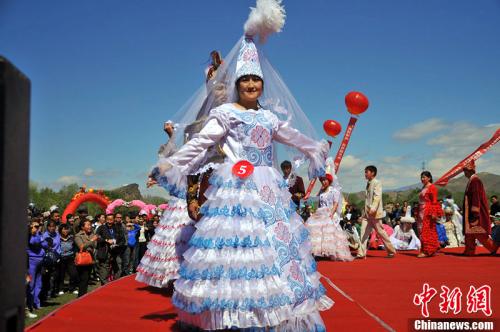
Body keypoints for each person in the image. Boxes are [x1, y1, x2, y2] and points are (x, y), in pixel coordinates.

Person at [147, 4, 332, 327]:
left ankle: (273, 311)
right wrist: (173, 164)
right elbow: (202, 143)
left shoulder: (269, 117)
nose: (251, 85)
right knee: (238, 251)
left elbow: (293, 136)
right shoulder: (227, 114)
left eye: (255, 81)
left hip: (268, 187)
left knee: (274, 249)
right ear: (238, 83)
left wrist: (315, 147)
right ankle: (234, 315)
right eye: (245, 80)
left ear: (262, 84)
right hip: (236, 188)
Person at [136, 120, 196, 288]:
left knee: (186, 238)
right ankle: (173, 276)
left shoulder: (198, 160)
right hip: (181, 204)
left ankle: (188, 274)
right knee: (174, 239)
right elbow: (169, 157)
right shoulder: (178, 162)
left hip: (191, 202)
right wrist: (172, 136)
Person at [305, 173, 353, 261]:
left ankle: (332, 252)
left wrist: (331, 213)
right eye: (322, 180)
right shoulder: (321, 192)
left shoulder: (334, 191)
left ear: (329, 181)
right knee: (319, 233)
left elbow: (335, 204)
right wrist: (316, 213)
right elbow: (319, 204)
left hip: (330, 213)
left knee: (330, 233)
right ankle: (320, 252)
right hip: (321, 213)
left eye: (325, 180)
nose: (323, 182)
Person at [357, 165, 396, 258]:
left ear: (373, 173)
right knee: (363, 232)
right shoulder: (368, 183)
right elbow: (367, 201)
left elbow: (377, 197)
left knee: (381, 232)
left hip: (374, 213)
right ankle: (361, 253)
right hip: (367, 214)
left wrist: (373, 209)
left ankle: (391, 250)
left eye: (367, 172)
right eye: (365, 172)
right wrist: (364, 213)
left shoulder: (377, 182)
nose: (365, 174)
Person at [461, 161, 499, 256]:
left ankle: (493, 247)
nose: (464, 172)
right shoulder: (472, 181)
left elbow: (476, 197)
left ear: (470, 171)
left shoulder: (475, 181)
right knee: (469, 232)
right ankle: (469, 251)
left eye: (466, 170)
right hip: (470, 213)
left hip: (475, 214)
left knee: (479, 233)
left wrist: (475, 212)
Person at [416, 171, 443, 258]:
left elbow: (434, 201)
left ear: (429, 178)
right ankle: (428, 249)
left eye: (424, 177)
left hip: (427, 211)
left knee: (426, 230)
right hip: (421, 211)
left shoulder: (432, 187)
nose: (422, 179)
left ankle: (427, 251)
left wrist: (434, 212)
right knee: (421, 230)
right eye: (421, 177)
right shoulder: (423, 187)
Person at [95, 214, 126, 284]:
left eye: (111, 220)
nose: (109, 221)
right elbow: (97, 238)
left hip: (116, 251)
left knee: (118, 269)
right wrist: (106, 240)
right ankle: (105, 286)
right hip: (105, 251)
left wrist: (116, 243)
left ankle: (114, 284)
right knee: (104, 271)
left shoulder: (117, 227)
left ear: (114, 219)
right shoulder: (101, 228)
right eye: (108, 219)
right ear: (105, 220)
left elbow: (122, 240)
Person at [74, 219, 98, 297]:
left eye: (90, 225)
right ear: (82, 227)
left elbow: (95, 245)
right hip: (82, 259)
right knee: (83, 278)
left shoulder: (91, 234)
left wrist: (92, 242)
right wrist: (91, 241)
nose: (89, 226)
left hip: (90, 258)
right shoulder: (78, 236)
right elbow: (81, 246)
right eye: (87, 225)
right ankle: (81, 296)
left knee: (87, 278)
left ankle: (84, 295)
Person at [40, 220, 62, 302]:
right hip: (47, 259)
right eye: (50, 226)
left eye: (54, 226)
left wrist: (59, 254)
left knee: (55, 276)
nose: (52, 228)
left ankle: (52, 292)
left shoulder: (57, 235)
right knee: (47, 277)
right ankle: (46, 294)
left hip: (56, 257)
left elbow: (59, 245)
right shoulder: (44, 236)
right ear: (47, 227)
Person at [27, 218, 45, 313]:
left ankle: (36, 303)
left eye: (39, 225)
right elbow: (34, 242)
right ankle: (30, 306)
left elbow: (46, 244)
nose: (38, 228)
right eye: (36, 226)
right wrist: (37, 235)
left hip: (40, 260)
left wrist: (39, 235)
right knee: (31, 284)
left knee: (39, 283)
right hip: (32, 261)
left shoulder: (38, 233)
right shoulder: (29, 236)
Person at [58, 224, 78, 294]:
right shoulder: (58, 238)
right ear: (60, 230)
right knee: (61, 274)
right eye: (63, 229)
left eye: (66, 229)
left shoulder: (72, 237)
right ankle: (61, 289)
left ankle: (72, 288)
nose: (65, 231)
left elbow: (75, 247)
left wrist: (75, 254)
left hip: (70, 257)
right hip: (61, 258)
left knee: (73, 274)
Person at [114, 212, 129, 278]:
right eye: (118, 217)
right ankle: (118, 276)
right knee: (118, 262)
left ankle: (124, 274)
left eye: (120, 217)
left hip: (125, 245)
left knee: (126, 261)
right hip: (117, 246)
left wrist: (126, 242)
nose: (119, 219)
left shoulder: (123, 225)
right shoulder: (113, 225)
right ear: (115, 218)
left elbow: (126, 234)